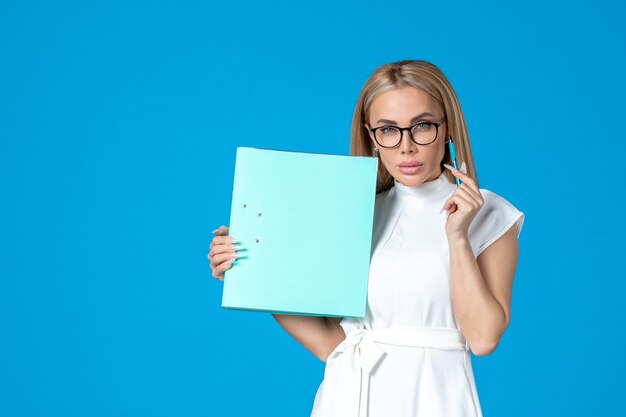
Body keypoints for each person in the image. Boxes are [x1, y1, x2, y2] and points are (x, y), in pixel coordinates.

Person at [208, 59, 525, 417]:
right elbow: (331, 344)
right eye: (388, 130)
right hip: (345, 396)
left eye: (422, 126)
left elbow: (483, 338)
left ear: (448, 127)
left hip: (432, 397)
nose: (406, 146)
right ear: (371, 135)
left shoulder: (489, 212)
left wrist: (457, 237)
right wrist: (249, 269)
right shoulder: (357, 212)